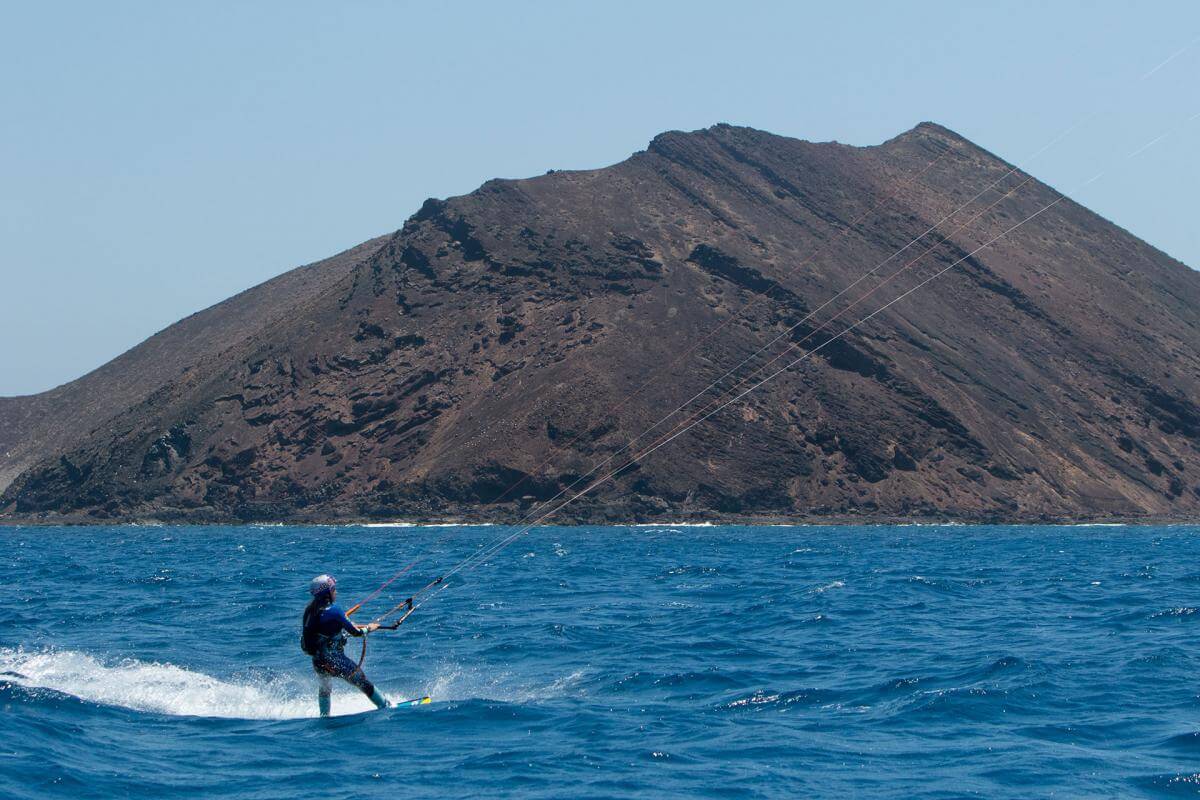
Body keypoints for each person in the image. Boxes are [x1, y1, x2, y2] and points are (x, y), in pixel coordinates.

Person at [301, 574, 389, 716]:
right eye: (333, 589)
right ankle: (385, 706)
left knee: (325, 688)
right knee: (362, 682)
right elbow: (356, 632)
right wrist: (370, 628)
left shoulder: (309, 611)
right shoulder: (335, 611)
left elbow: (323, 631)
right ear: (327, 593)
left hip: (318, 661)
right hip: (335, 661)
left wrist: (341, 626)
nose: (336, 592)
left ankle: (324, 716)